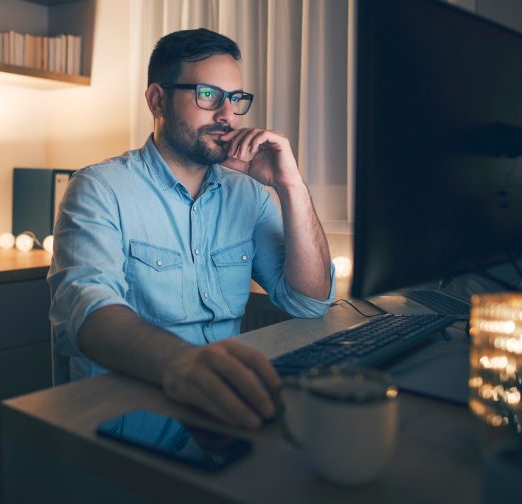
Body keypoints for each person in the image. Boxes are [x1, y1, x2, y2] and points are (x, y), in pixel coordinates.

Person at [48, 28, 334, 429]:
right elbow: (87, 312)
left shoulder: (247, 194)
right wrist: (186, 362)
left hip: (226, 411)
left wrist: (291, 187)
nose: (227, 115)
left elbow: (309, 302)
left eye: (235, 99)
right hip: (129, 418)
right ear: (157, 99)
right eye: (208, 95)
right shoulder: (99, 188)